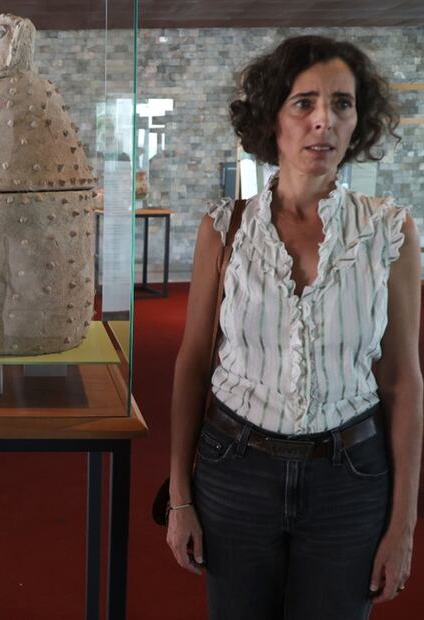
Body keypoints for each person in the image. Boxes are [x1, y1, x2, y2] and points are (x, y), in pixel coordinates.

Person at [166, 35, 421, 619]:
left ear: (360, 121)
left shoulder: (389, 232)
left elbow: (404, 382)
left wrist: (403, 524)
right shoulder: (225, 228)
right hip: (235, 469)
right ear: (272, 118)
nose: (324, 121)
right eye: (304, 103)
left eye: (343, 104)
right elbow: (191, 364)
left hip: (350, 477)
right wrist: (180, 497)